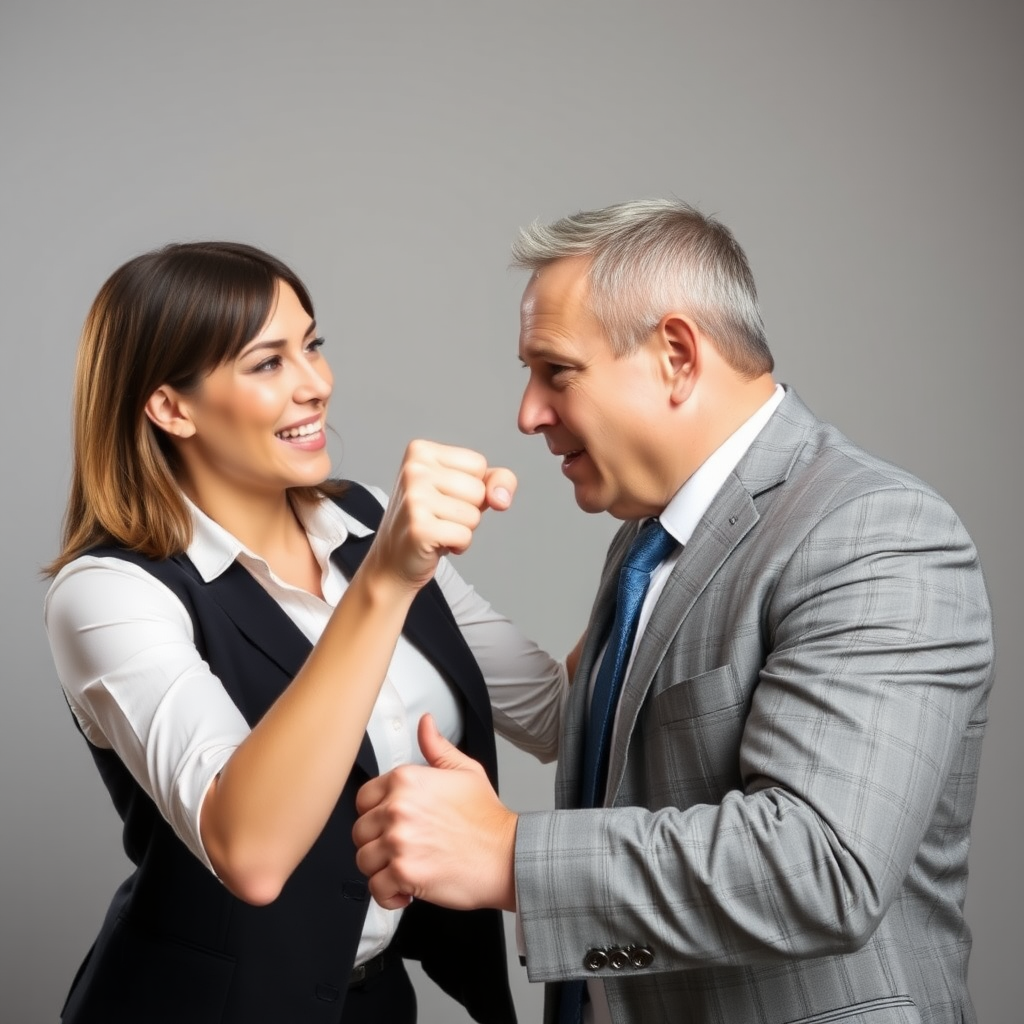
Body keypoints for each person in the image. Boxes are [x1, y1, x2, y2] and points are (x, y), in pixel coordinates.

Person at [352, 199, 995, 1024]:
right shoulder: (646, 540)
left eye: (557, 371)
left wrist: (508, 855)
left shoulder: (875, 531)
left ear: (678, 356)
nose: (528, 414)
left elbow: (823, 869)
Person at [43, 241, 568, 1024]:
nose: (316, 385)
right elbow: (249, 853)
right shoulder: (108, 594)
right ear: (171, 407)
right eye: (267, 364)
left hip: (375, 1001)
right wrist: (386, 581)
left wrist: (653, 522)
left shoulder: (364, 521)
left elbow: (559, 713)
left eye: (312, 346)